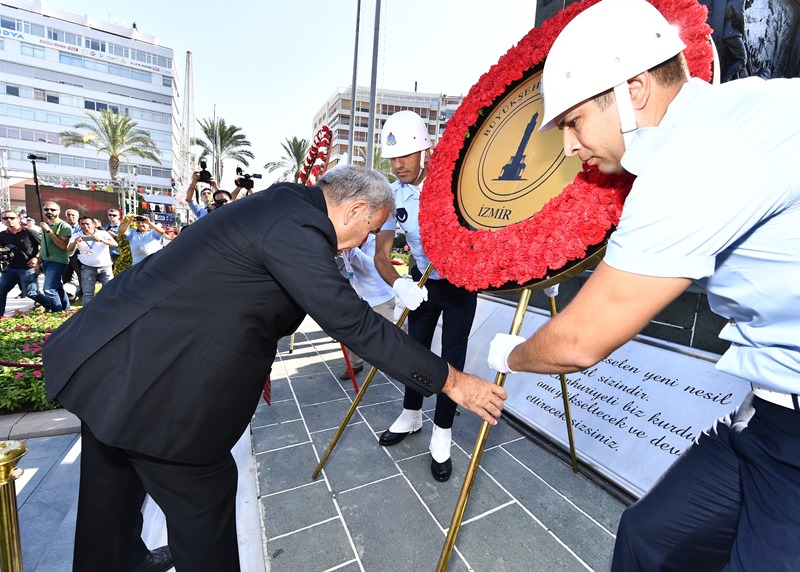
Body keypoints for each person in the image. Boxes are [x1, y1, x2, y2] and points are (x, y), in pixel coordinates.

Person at [42, 165, 506, 572]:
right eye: (371, 228)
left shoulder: (286, 202)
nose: (367, 241)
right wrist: (452, 380)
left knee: (111, 482)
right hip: (156, 385)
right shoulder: (299, 228)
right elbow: (354, 323)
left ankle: (120, 560)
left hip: (110, 363)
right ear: (354, 209)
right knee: (204, 495)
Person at [486, 0, 800, 570]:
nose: (570, 147)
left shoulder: (695, 156)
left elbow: (580, 342)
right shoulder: (733, 111)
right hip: (768, 415)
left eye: (574, 122)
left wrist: (511, 353)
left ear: (633, 89)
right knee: (648, 539)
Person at [373, 110, 479, 483]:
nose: (398, 164)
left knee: (452, 360)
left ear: (425, 151)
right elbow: (381, 256)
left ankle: (443, 434)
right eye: (392, 157)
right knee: (414, 349)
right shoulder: (390, 194)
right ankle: (412, 414)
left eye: (405, 155)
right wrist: (399, 284)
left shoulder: (452, 185)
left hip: (459, 283)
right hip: (421, 281)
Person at [339, 233, 401, 379]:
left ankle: (398, 364)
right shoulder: (350, 244)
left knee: (389, 335)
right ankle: (355, 364)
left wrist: (351, 248)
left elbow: (370, 266)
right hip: (360, 296)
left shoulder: (376, 242)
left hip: (380, 298)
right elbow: (348, 270)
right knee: (352, 331)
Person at [67, 216, 117, 306]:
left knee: (110, 290)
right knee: (88, 294)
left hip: (105, 267)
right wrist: (75, 242)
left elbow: (115, 244)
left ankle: (111, 309)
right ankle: (87, 315)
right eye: (82, 224)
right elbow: (70, 250)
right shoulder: (76, 235)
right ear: (79, 225)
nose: (85, 226)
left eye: (87, 224)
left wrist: (102, 240)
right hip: (87, 267)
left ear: (93, 224)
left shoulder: (102, 233)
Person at [0, 210, 40, 315]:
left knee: (31, 293)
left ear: (18, 219)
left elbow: (44, 245)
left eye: (12, 218)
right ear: (2, 220)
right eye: (5, 218)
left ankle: (51, 306)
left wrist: (36, 258)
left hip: (27, 267)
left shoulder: (29, 232)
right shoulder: (3, 235)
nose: (9, 220)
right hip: (10, 268)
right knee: (0, 291)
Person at [37, 201, 72, 312]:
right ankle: (66, 310)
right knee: (57, 287)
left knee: (49, 289)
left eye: (53, 209)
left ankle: (56, 313)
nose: (49, 212)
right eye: (46, 209)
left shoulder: (64, 226)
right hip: (46, 261)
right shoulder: (44, 225)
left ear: (59, 211)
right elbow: (43, 245)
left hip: (58, 261)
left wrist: (49, 231)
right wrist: (38, 262)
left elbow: (62, 246)